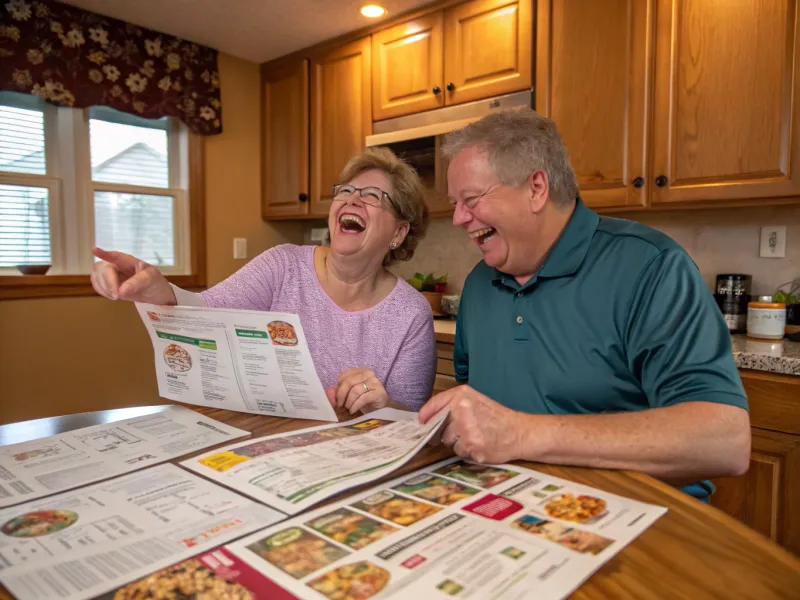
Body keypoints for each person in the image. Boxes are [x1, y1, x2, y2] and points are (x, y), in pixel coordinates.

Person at [418, 109, 751, 502]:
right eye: (456, 202)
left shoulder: (651, 267)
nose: (458, 218)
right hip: (507, 511)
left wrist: (520, 434)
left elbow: (724, 440)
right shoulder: (478, 284)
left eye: (470, 199)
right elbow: (475, 404)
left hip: (633, 519)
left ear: (536, 188)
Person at [92, 147, 436, 414]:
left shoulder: (411, 313)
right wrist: (160, 291)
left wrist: (383, 406)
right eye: (345, 190)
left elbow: (412, 420)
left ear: (399, 232)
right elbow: (205, 314)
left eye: (373, 195)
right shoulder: (282, 266)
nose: (352, 199)